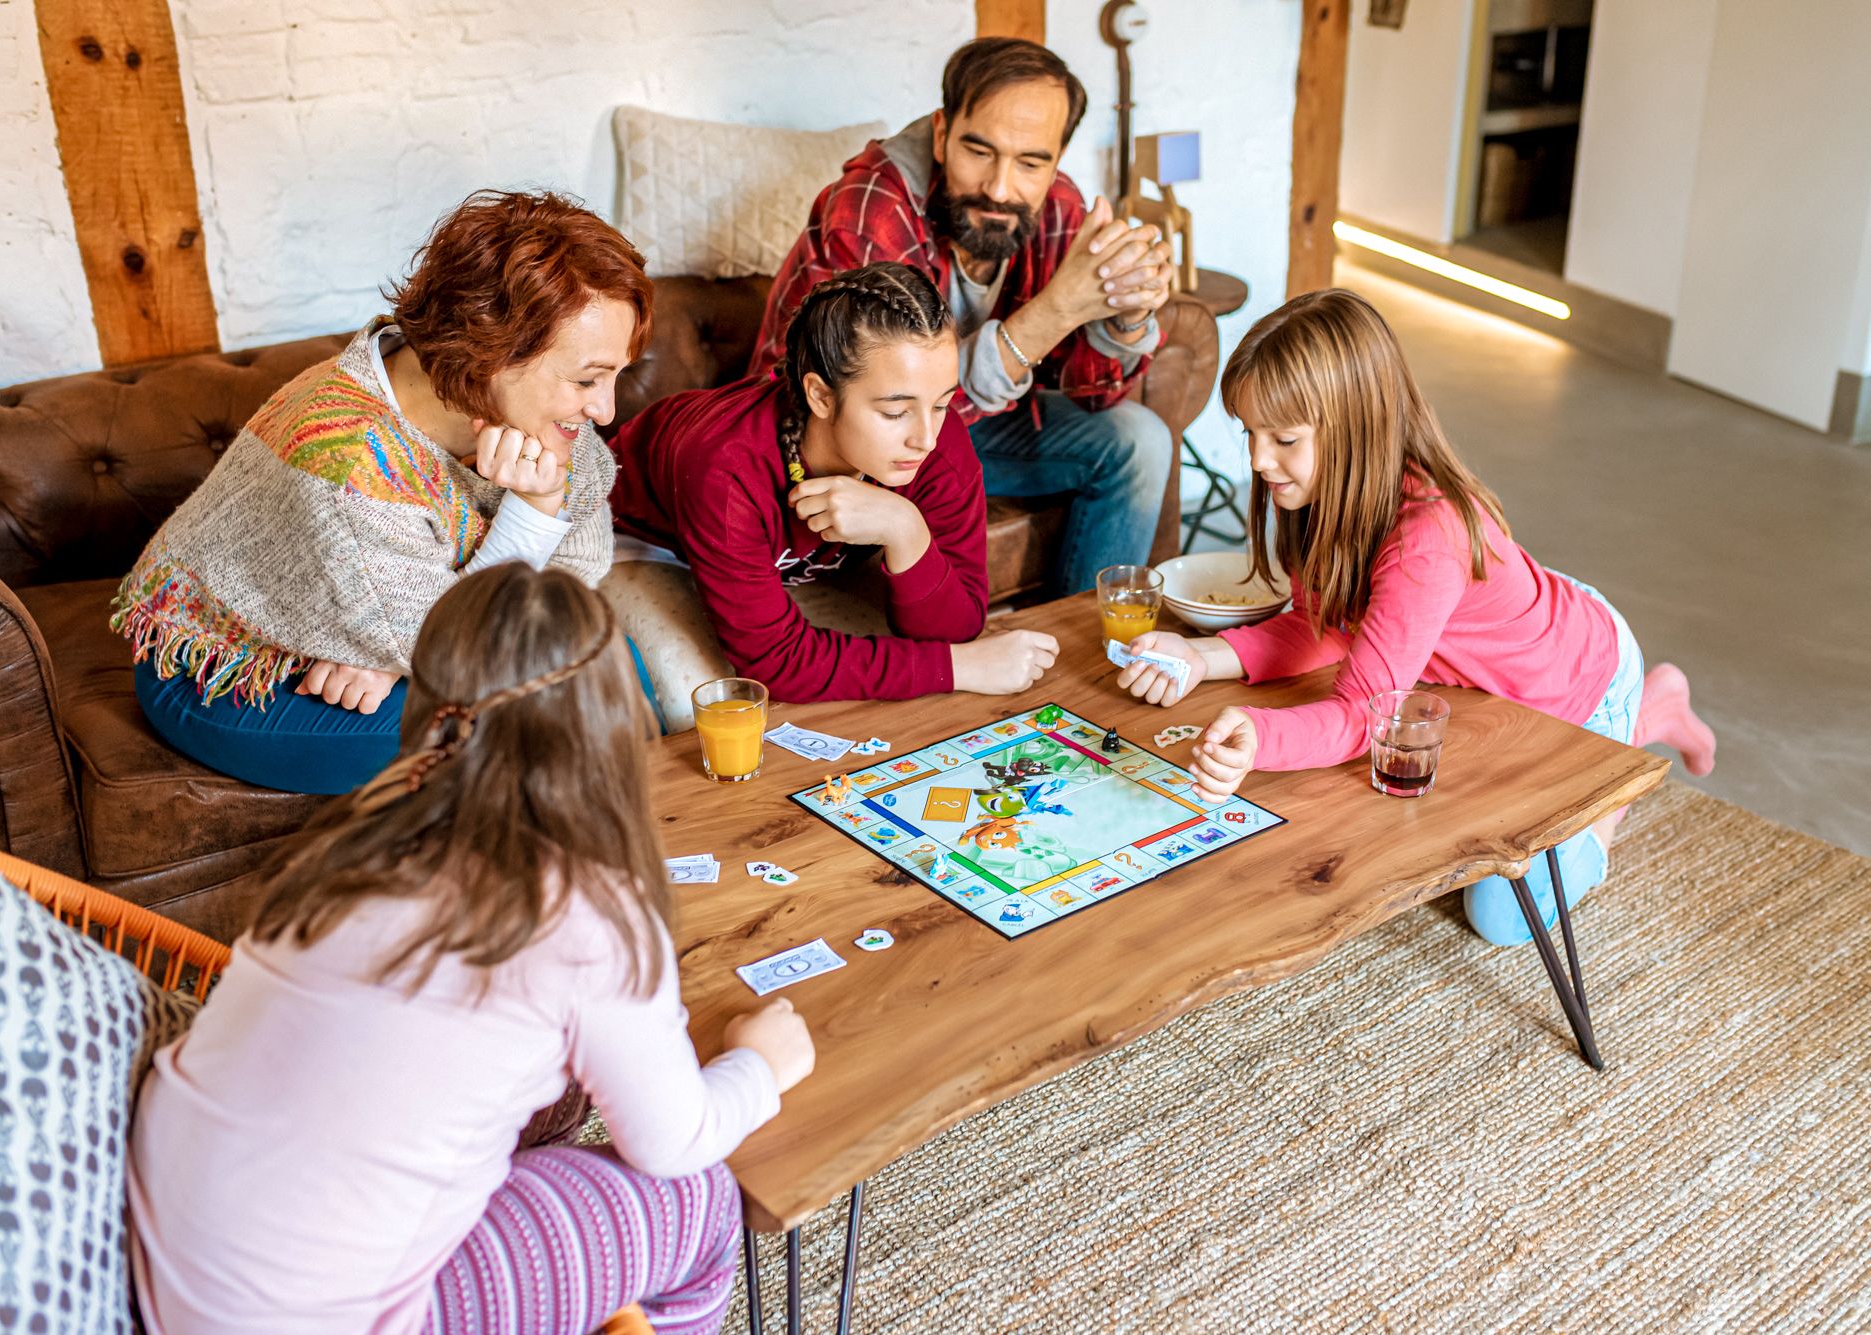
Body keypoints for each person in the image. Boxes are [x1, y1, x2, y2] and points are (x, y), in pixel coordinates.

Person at [126, 563, 816, 1334]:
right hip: (314, 1317)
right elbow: (672, 1141)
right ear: (613, 727)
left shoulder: (359, 833)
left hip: (173, 1263)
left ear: (424, 702)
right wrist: (761, 1064)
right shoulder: (589, 912)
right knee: (702, 1202)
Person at [1115, 288, 1716, 946]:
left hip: (1577, 684)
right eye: (1250, 434)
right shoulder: (1331, 491)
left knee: (1503, 919)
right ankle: (1636, 715)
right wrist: (1201, 656)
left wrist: (1261, 737)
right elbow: (1320, 628)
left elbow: (1364, 716)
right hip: (1500, 666)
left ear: (1353, 428)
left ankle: (1636, 725)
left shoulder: (1426, 538)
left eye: (1282, 438)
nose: (1258, 460)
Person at [113, 189, 652, 795]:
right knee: (530, 729)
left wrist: (394, 652)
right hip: (234, 668)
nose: (604, 411)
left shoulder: (543, 413)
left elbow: (580, 568)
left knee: (617, 670)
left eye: (614, 376)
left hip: (400, 630)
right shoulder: (346, 460)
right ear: (491, 352)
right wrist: (534, 510)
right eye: (587, 379)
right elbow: (458, 651)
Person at [751, 37, 1176, 596]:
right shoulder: (873, 204)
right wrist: (1059, 310)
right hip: (843, 434)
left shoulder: (1055, 203)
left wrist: (1127, 315)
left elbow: (1093, 396)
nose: (1001, 188)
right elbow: (884, 397)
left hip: (961, 423)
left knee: (1139, 438)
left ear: (1056, 159)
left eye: (1031, 161)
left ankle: (1087, 644)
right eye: (979, 151)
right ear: (943, 132)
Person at [610, 261, 1058, 702]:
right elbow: (777, 665)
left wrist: (906, 529)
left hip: (789, 562)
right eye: (894, 412)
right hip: (641, 542)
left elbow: (958, 626)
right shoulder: (724, 468)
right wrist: (962, 667)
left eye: (941, 403)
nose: (926, 438)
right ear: (821, 396)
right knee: (716, 700)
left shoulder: (939, 439)